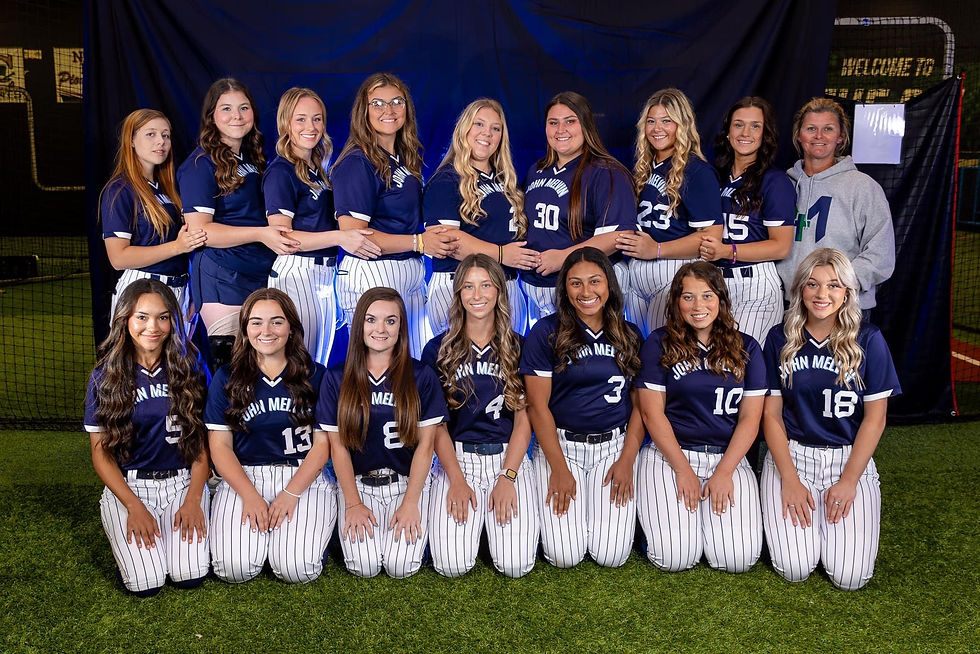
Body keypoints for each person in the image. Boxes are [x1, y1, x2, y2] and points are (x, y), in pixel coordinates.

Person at [761, 248, 901, 590]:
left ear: (847, 293)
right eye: (812, 284)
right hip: (793, 456)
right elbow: (772, 416)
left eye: (834, 286)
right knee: (795, 568)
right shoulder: (780, 338)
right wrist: (789, 480)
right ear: (800, 290)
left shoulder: (868, 339)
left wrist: (850, 480)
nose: (822, 294)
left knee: (851, 578)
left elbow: (875, 420)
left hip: (847, 459)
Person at [634, 261, 765, 573]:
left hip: (727, 457)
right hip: (670, 456)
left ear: (720, 299)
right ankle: (652, 523)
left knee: (737, 560)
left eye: (707, 296)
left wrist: (723, 473)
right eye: (688, 297)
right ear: (676, 302)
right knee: (674, 558)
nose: (698, 306)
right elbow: (652, 414)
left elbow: (750, 419)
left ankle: (693, 522)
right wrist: (681, 469)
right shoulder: (659, 341)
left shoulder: (747, 346)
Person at [84, 279, 209, 596]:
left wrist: (194, 499)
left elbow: (200, 443)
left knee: (189, 576)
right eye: (142, 317)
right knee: (146, 585)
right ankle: (123, 530)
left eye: (163, 317)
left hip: (182, 484)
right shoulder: (105, 375)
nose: (152, 326)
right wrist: (133, 506)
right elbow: (101, 454)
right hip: (131, 485)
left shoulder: (189, 366)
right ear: (125, 319)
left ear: (173, 321)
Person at [519, 247, 643, 568]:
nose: (586, 292)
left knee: (611, 556)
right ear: (564, 288)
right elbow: (537, 407)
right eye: (575, 283)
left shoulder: (627, 335)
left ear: (609, 285)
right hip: (561, 446)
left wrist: (628, 460)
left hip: (612, 447)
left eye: (595, 281)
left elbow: (640, 406)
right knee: (565, 556)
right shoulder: (546, 332)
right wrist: (559, 469)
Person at [205, 288, 335, 584]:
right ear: (245, 329)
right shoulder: (228, 376)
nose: (266, 331)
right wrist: (250, 496)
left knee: (296, 569)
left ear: (291, 328)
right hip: (245, 477)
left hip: (303, 476)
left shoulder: (317, 375)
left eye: (277, 322)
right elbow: (220, 447)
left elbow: (323, 444)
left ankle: (309, 534)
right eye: (256, 322)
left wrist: (290, 494)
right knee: (233, 570)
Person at [317, 287, 447, 578]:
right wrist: (352, 503)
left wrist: (412, 502)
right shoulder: (337, 376)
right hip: (359, 485)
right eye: (371, 320)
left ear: (402, 326)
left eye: (391, 321)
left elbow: (427, 446)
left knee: (402, 568)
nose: (381, 329)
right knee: (363, 567)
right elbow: (336, 448)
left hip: (406, 482)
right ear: (359, 324)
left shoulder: (420, 374)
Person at [422, 254, 539, 578]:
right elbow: (436, 426)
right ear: (458, 293)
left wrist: (508, 477)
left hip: (507, 458)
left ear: (499, 291)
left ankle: (493, 530)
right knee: (451, 566)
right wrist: (456, 480)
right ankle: (478, 528)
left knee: (516, 565)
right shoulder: (438, 349)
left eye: (486, 285)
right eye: (469, 287)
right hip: (456, 460)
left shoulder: (520, 346)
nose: (477, 295)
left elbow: (523, 421)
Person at [331, 73, 456, 356]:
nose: (388, 110)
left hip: (408, 271)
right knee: (379, 365)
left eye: (397, 102)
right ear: (364, 112)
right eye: (377, 103)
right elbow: (356, 237)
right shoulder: (357, 162)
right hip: (375, 271)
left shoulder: (401, 157)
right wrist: (420, 243)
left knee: (409, 364)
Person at [178, 78, 299, 371]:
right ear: (212, 116)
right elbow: (200, 231)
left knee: (264, 367)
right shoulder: (200, 165)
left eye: (244, 108)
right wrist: (260, 233)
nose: (237, 116)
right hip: (224, 278)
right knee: (233, 372)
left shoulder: (253, 158)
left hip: (259, 273)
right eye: (227, 109)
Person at [263, 87, 381, 364]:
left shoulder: (317, 168)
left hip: (323, 276)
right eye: (301, 119)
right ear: (285, 123)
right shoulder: (281, 171)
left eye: (317, 119)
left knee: (318, 364)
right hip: (297, 272)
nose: (311, 127)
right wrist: (341, 237)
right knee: (301, 364)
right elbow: (282, 237)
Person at [423, 99, 539, 335]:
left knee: (508, 366)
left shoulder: (504, 181)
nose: (487, 133)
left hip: (506, 285)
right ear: (464, 129)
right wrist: (501, 254)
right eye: (479, 124)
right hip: (459, 285)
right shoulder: (447, 179)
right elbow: (446, 241)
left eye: (496, 128)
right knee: (460, 366)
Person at [520, 91, 636, 326]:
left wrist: (565, 258)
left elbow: (618, 236)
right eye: (553, 123)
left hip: (583, 291)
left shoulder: (606, 172)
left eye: (570, 121)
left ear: (586, 125)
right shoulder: (537, 170)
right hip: (536, 289)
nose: (560, 130)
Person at [618, 88, 724, 337]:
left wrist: (656, 249)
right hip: (638, 273)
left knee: (664, 350)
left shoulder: (697, 172)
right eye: (651, 121)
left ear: (682, 125)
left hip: (671, 271)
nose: (657, 128)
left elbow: (711, 237)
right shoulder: (646, 168)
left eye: (667, 121)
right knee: (639, 349)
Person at [777, 98, 895, 313]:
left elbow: (881, 255)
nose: (819, 136)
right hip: (789, 306)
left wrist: (836, 285)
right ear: (799, 135)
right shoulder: (783, 184)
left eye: (828, 129)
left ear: (840, 137)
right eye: (811, 128)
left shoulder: (862, 187)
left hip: (843, 307)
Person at [699, 97, 795, 345]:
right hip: (711, 282)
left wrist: (727, 250)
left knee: (745, 363)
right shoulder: (713, 176)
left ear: (766, 134)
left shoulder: (775, 181)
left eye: (755, 126)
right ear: (728, 132)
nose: (745, 133)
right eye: (738, 124)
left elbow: (781, 246)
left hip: (755, 285)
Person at [99, 109, 206, 318]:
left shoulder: (167, 189)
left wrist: (191, 294)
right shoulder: (120, 190)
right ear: (131, 140)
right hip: (142, 291)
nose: (161, 142)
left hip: (178, 290)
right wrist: (177, 247)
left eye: (165, 135)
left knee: (179, 352)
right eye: (151, 134)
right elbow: (118, 257)